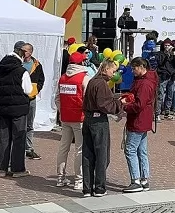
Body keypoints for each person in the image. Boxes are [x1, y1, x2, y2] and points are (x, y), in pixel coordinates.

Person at [82, 59, 123, 197]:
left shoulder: (92, 81)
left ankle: (87, 188)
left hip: (88, 119)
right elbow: (104, 104)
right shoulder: (101, 84)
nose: (114, 74)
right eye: (113, 71)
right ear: (105, 69)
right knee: (101, 155)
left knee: (88, 154)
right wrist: (119, 104)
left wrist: (115, 99)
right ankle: (99, 187)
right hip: (98, 121)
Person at [0, 42, 34, 178]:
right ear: (21, 53)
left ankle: (2, 168)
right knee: (18, 138)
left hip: (3, 107)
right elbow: (28, 90)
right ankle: (17, 169)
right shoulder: (21, 71)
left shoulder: (0, 71)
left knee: (4, 138)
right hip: (18, 109)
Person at [122, 57, 158, 193]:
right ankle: (144, 179)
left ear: (142, 67)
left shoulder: (144, 84)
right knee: (141, 150)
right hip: (143, 119)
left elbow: (139, 104)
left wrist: (125, 106)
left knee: (130, 149)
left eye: (134, 68)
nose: (132, 71)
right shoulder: (145, 80)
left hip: (138, 120)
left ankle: (135, 180)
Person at [57, 52, 91, 190]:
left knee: (63, 148)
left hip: (65, 117)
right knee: (80, 149)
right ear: (82, 63)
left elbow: (57, 98)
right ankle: (78, 180)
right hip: (80, 118)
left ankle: (60, 178)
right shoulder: (84, 78)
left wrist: (62, 111)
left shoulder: (62, 78)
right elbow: (89, 99)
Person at [20, 43, 45, 161]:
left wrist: (36, 90)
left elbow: (41, 79)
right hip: (19, 98)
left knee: (29, 125)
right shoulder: (17, 63)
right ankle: (18, 147)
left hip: (31, 98)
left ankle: (28, 148)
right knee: (19, 123)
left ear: (30, 52)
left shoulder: (37, 65)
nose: (22, 52)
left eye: (24, 50)